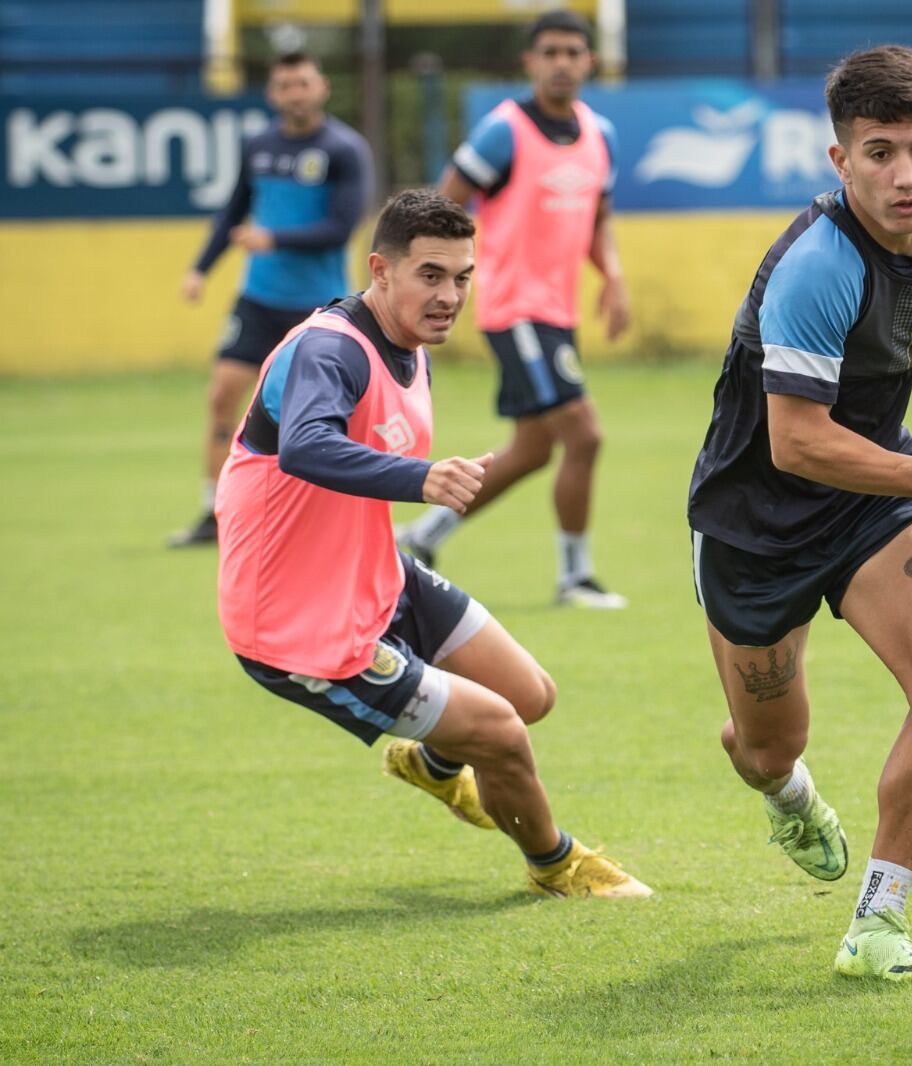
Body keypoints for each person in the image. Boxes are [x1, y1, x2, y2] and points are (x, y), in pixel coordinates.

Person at [686, 46, 912, 981]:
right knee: (768, 747)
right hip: (753, 530)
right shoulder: (817, 268)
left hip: (871, 507)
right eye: (879, 152)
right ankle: (788, 794)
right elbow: (796, 443)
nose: (905, 175)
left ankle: (877, 925)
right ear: (839, 159)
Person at [215, 189, 650, 900]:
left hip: (371, 576)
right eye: (431, 275)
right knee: (503, 734)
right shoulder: (331, 350)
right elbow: (305, 447)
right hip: (299, 626)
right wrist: (422, 479)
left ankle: (434, 766)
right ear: (380, 270)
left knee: (530, 694)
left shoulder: (408, 344)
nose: (450, 295)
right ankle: (555, 864)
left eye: (462, 277)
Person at [396, 10, 630, 609]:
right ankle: (574, 577)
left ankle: (422, 538)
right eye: (548, 52)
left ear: (589, 62)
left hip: (558, 311)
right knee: (586, 434)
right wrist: (442, 278)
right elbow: (439, 205)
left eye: (572, 52)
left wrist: (614, 277)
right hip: (515, 308)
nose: (561, 63)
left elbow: (597, 220)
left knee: (533, 448)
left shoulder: (599, 133)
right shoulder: (505, 130)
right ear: (529, 62)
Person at [171, 51, 372, 547]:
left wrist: (274, 239)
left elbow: (341, 227)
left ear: (322, 87)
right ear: (272, 94)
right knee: (222, 398)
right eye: (286, 86)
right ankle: (213, 513)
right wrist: (200, 268)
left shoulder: (344, 149)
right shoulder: (257, 145)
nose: (295, 94)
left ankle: (330, 517)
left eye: (303, 83)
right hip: (258, 300)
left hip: (319, 309)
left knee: (325, 416)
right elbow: (233, 211)